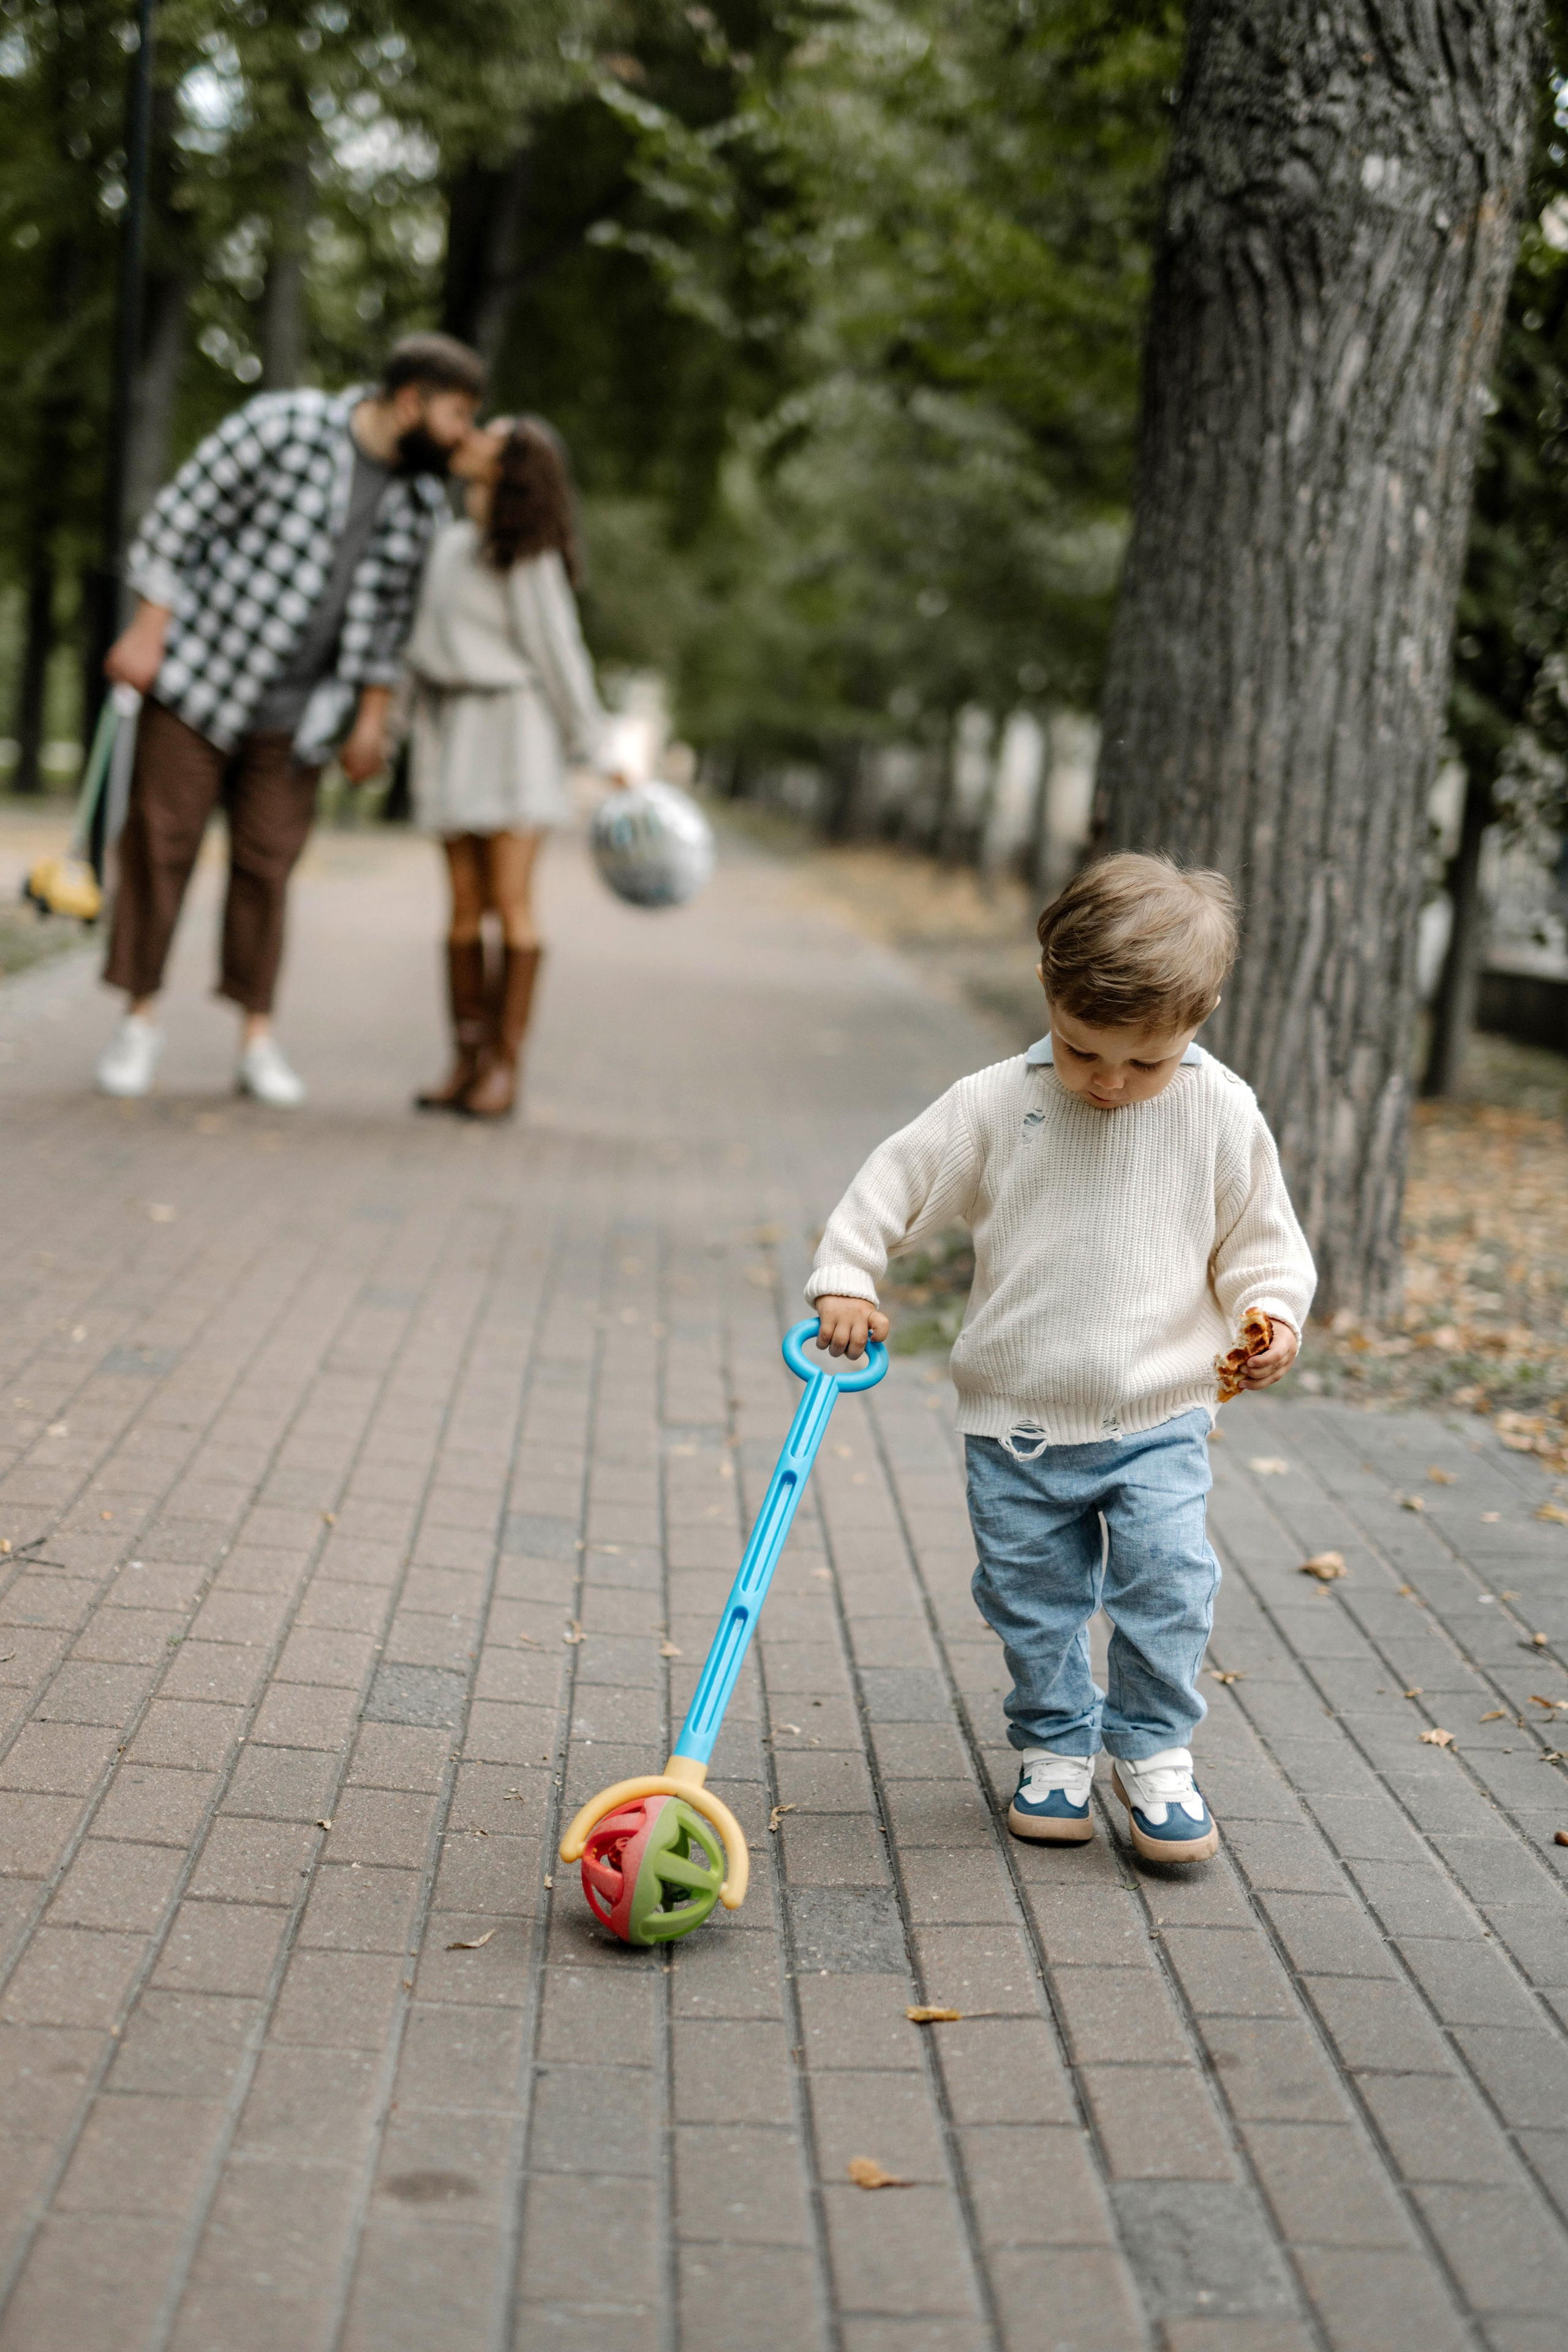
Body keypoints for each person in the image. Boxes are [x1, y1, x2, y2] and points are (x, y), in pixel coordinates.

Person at [807, 853, 1316, 1865]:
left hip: (1160, 1414)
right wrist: (850, 1277)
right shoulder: (998, 1104)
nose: (1112, 1083)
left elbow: (1262, 1242)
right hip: (1019, 1425)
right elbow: (890, 1186)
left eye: (1145, 1062)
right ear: (1050, 992)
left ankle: (1154, 1752)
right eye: (1086, 1052)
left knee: (1169, 1586)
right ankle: (1054, 1748)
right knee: (1031, 1600)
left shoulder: (1220, 1112)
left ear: (1201, 1017)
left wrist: (1271, 1314)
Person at [95, 332, 486, 1107]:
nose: (463, 437)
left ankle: (256, 1038)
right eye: (456, 417)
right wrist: (147, 629)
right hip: (200, 681)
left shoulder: (420, 500)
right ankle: (138, 1023)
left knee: (268, 867)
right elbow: (177, 522)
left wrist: (371, 720)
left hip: (301, 716)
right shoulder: (282, 426)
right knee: (159, 847)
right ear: (410, 402)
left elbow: (388, 624)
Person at [404, 414, 620, 1120]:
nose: (467, 436)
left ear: (509, 465)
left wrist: (596, 746)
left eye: (486, 435)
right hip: (454, 730)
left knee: (511, 902)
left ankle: (505, 1067)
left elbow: (561, 655)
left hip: (517, 733)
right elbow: (418, 647)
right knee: (462, 905)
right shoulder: (448, 546)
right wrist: (392, 727)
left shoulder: (528, 554)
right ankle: (464, 1060)